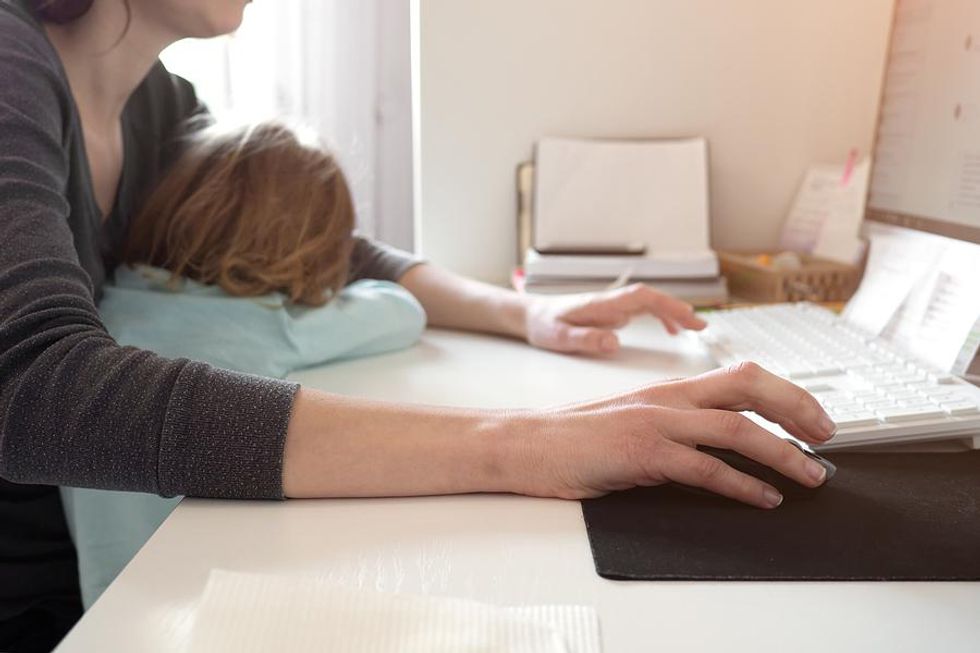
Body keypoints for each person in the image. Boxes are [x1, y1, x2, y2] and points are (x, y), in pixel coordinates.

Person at [0, 0, 835, 650]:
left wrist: (528, 312)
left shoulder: (158, 104)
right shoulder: (12, 64)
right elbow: (32, 384)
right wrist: (523, 444)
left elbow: (340, 248)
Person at [60, 119, 429, 609]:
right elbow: (401, 310)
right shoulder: (265, 324)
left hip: (103, 609)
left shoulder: (111, 302)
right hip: (206, 607)